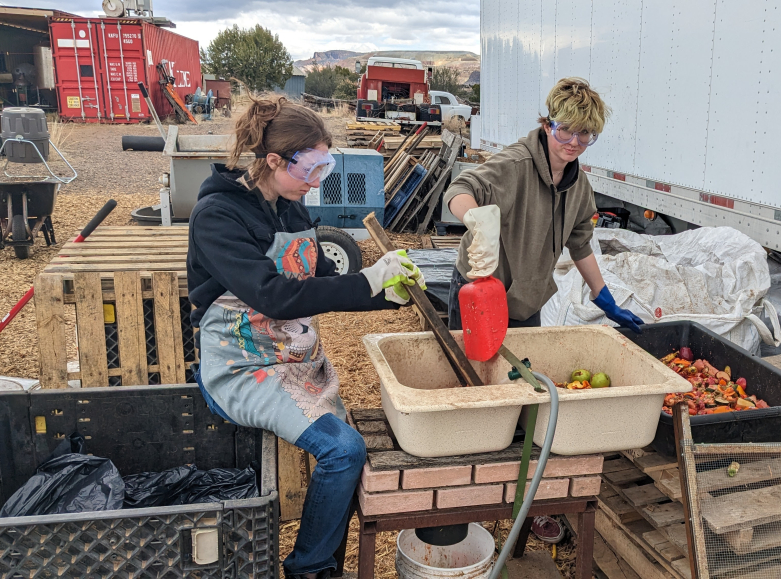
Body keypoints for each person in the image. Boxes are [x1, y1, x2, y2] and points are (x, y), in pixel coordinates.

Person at [187, 96, 423, 579]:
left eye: (325, 166)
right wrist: (366, 280)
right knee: (345, 450)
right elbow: (273, 295)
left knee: (346, 450)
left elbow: (312, 287)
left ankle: (327, 561)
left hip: (296, 356)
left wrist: (388, 295)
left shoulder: (290, 205)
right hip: (242, 366)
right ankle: (309, 568)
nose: (317, 180)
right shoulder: (217, 215)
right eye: (311, 168)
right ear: (274, 161)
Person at [444, 77, 644, 334]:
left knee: (520, 372)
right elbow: (460, 189)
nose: (574, 142)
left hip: (526, 302)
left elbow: (580, 245)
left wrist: (604, 298)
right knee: (471, 371)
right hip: (480, 291)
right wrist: (477, 221)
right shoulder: (515, 165)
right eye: (565, 130)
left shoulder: (579, 187)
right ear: (548, 126)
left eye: (584, 133)